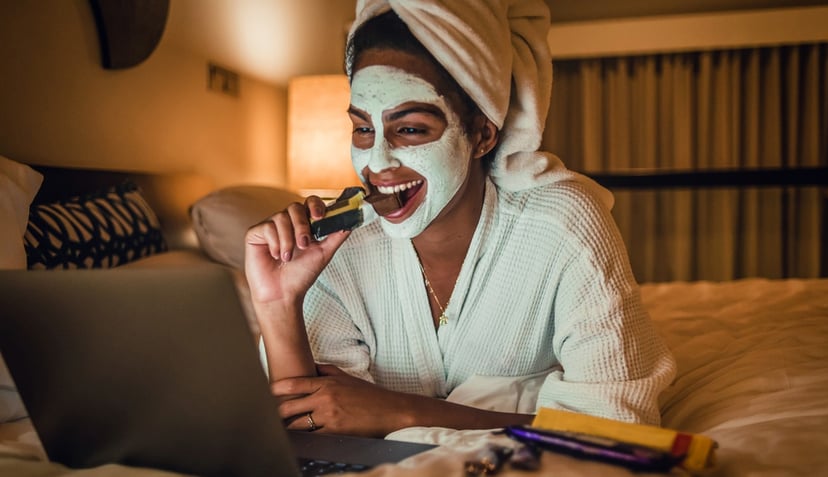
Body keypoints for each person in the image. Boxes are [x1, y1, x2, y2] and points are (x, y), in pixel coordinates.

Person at [244, 0, 675, 439]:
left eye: (410, 129)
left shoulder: (562, 224)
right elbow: (308, 428)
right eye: (363, 129)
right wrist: (279, 305)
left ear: (482, 134)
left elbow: (623, 430)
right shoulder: (338, 248)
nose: (377, 162)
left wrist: (403, 412)